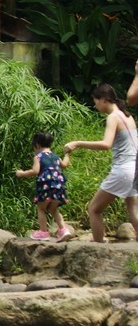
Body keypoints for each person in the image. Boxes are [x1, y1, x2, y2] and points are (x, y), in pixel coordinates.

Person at [65, 84, 138, 243]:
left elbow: (106, 144)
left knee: (94, 209)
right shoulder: (127, 116)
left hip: (123, 170)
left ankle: (99, 246)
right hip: (135, 168)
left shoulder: (113, 117)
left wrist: (77, 143)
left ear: (104, 100)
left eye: (96, 101)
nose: (95, 105)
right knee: (132, 206)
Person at [15, 131, 72, 241]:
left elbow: (35, 171)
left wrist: (22, 173)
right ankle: (64, 230)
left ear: (37, 145)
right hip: (58, 186)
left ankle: (43, 232)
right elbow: (65, 165)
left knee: (41, 208)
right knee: (53, 209)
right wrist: (67, 154)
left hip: (46, 185)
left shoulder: (38, 157)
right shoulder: (55, 156)